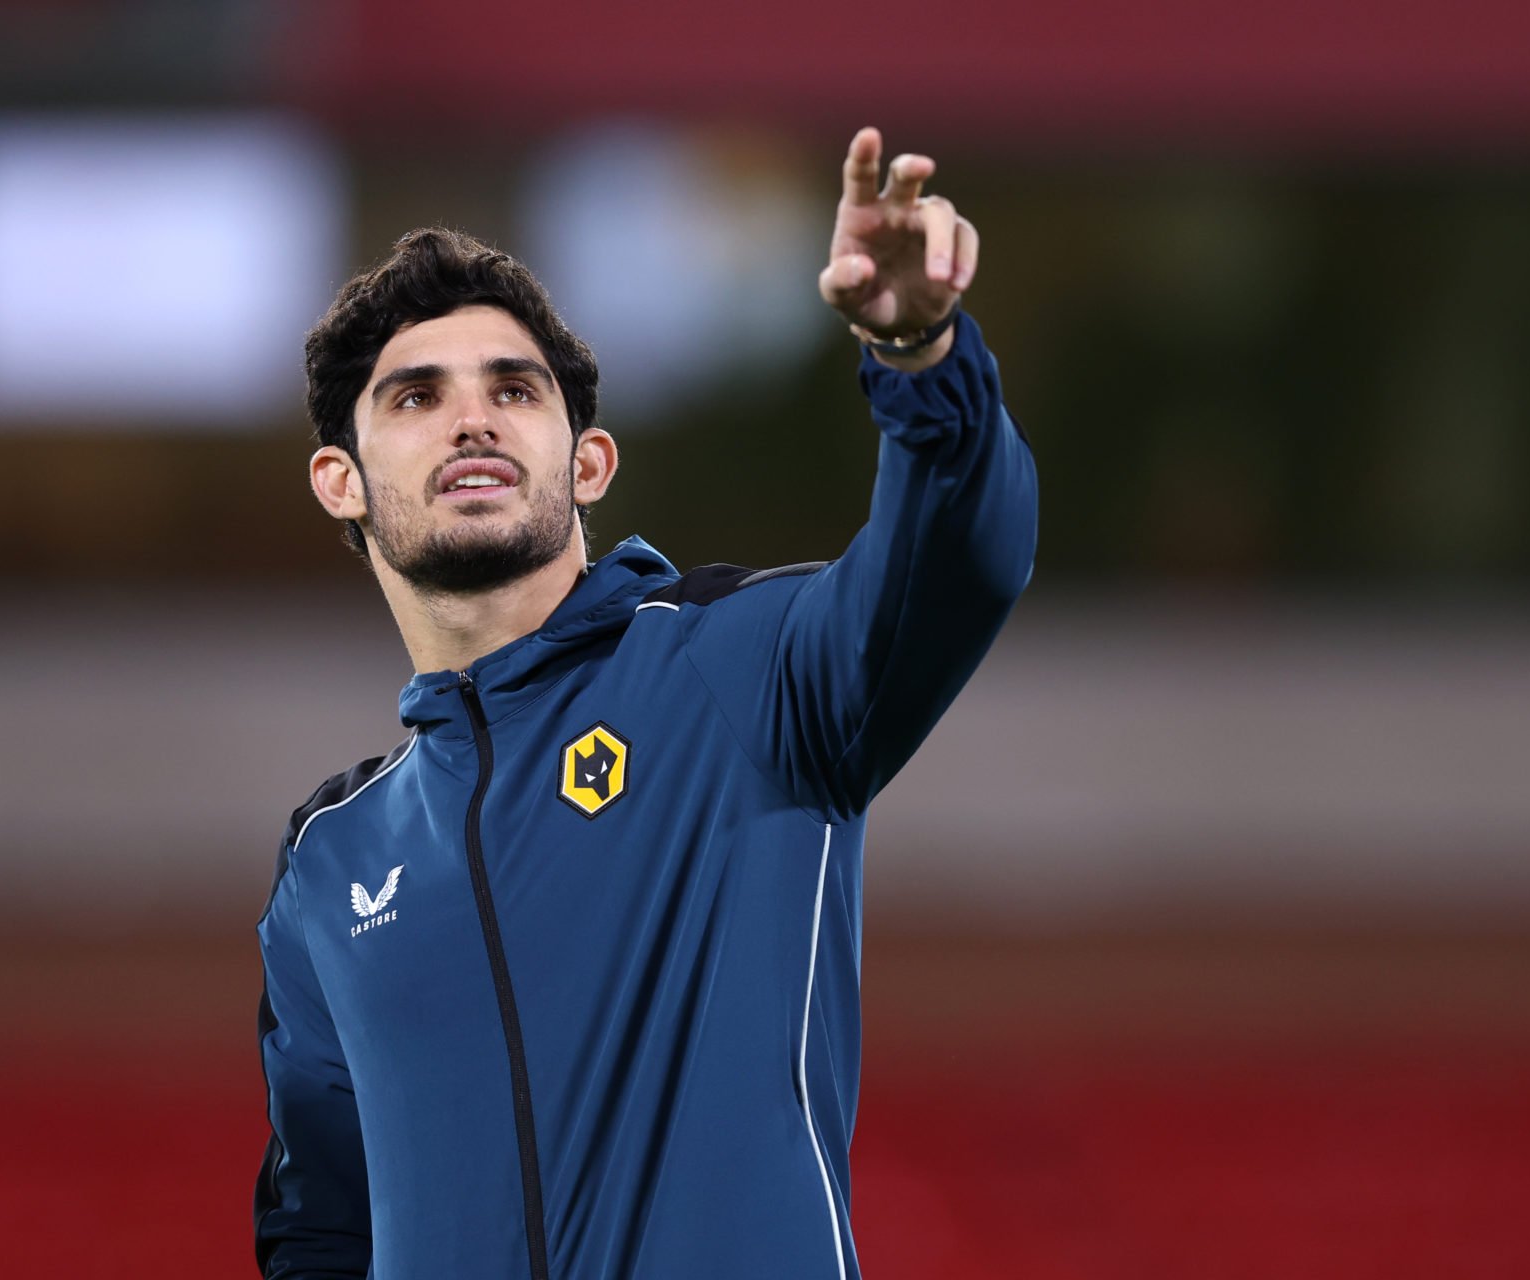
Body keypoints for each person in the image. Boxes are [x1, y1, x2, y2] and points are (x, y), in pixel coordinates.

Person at [256, 126, 1038, 1280]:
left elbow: (964, 561)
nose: (472, 418)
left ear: (588, 463)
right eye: (416, 396)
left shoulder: (739, 671)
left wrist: (921, 356)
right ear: (342, 480)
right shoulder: (332, 860)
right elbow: (323, 1229)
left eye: (513, 390)